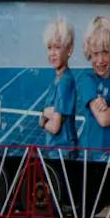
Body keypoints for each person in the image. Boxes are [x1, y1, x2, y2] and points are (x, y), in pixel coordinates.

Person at [77, 16, 110, 148]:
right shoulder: (87, 80)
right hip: (92, 154)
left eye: (105, 52)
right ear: (89, 53)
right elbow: (103, 119)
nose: (100, 60)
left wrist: (109, 110)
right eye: (95, 53)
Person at [38, 16, 78, 149]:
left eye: (57, 47)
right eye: (49, 48)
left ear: (69, 50)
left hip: (62, 149)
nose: (52, 53)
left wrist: (44, 119)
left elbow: (55, 127)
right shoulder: (57, 79)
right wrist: (47, 113)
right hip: (56, 149)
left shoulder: (65, 81)